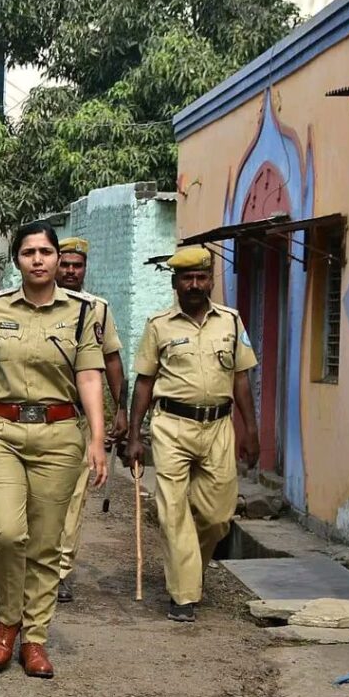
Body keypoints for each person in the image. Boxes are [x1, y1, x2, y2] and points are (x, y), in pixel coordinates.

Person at [0, 223, 108, 679]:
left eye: (46, 252)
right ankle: (7, 620)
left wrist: (96, 439)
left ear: (57, 258)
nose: (38, 259)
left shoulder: (82, 312)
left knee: (47, 542)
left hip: (59, 435)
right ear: (16, 259)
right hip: (0, 430)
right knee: (7, 532)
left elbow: (90, 376)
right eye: (29, 252)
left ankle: (34, 637)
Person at [126, 246, 259, 623]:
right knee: (172, 511)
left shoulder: (231, 322)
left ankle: (189, 570)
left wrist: (251, 430)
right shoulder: (158, 325)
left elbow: (241, 379)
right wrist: (134, 436)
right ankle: (183, 595)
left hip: (218, 427)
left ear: (210, 281)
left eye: (201, 277)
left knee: (218, 516)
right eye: (187, 278)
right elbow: (144, 382)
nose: (195, 284)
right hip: (172, 426)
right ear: (175, 282)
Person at [53, 237, 127, 604]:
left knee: (73, 498)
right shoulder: (32, 305)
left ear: (84, 269)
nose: (70, 271)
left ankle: (60, 572)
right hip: (36, 416)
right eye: (65, 264)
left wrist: (121, 409)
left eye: (76, 266)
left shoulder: (98, 309)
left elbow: (112, 360)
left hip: (78, 419)